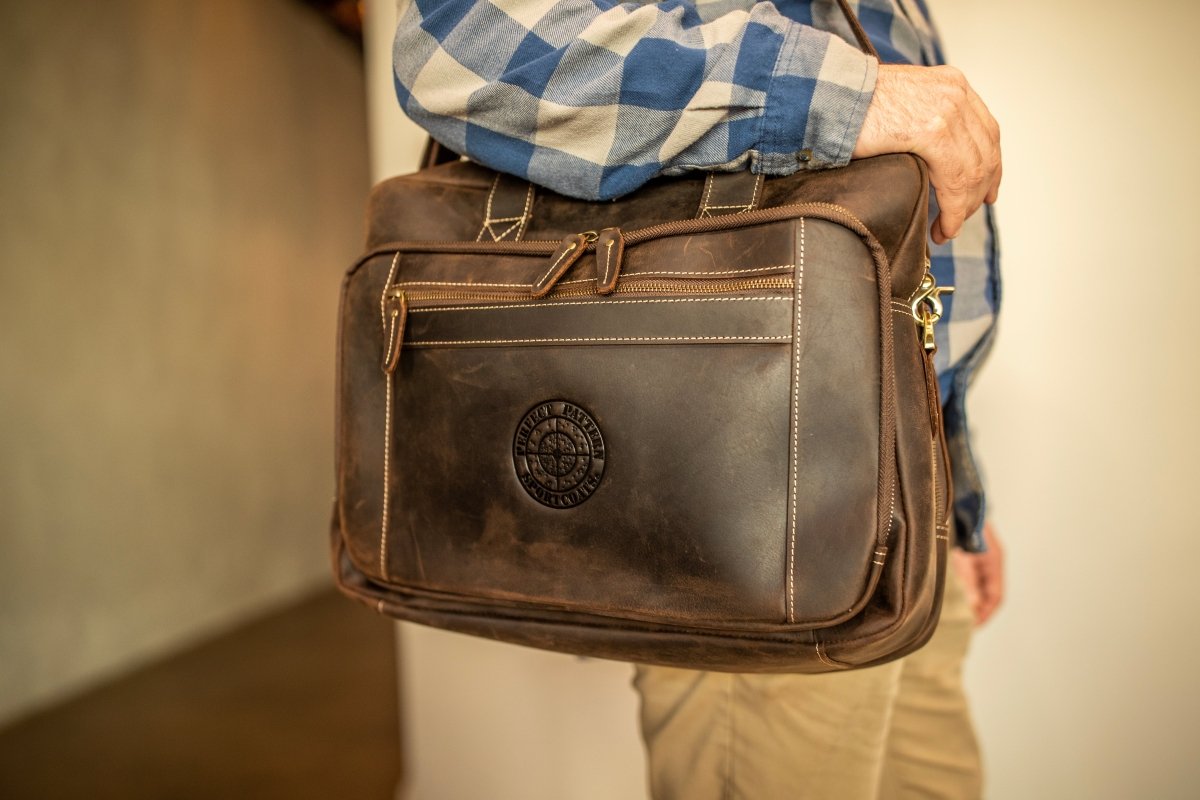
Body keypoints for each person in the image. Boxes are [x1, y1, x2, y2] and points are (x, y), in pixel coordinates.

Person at [392, 0, 1004, 795]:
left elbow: (901, 297)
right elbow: (453, 40)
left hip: (902, 514)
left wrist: (952, 489)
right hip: (760, 539)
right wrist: (851, 99)